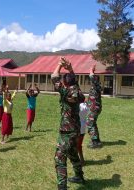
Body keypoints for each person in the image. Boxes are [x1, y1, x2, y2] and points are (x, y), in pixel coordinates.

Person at [52, 57, 85, 189]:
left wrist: (60, 64)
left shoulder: (65, 91)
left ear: (65, 83)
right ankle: (79, 176)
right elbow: (74, 81)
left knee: (60, 158)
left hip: (66, 131)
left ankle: (62, 186)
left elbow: (54, 77)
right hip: (76, 130)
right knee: (72, 153)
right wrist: (70, 68)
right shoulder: (79, 92)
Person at [86, 64, 102, 148]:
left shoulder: (96, 85)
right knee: (93, 123)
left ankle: (95, 142)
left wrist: (91, 70)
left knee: (90, 124)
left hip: (93, 108)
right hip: (95, 107)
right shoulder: (96, 86)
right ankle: (97, 140)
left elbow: (92, 77)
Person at [77, 100, 88, 166]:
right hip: (83, 127)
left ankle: (79, 160)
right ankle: (82, 160)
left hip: (77, 127)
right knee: (79, 145)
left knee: (75, 145)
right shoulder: (85, 106)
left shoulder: (78, 106)